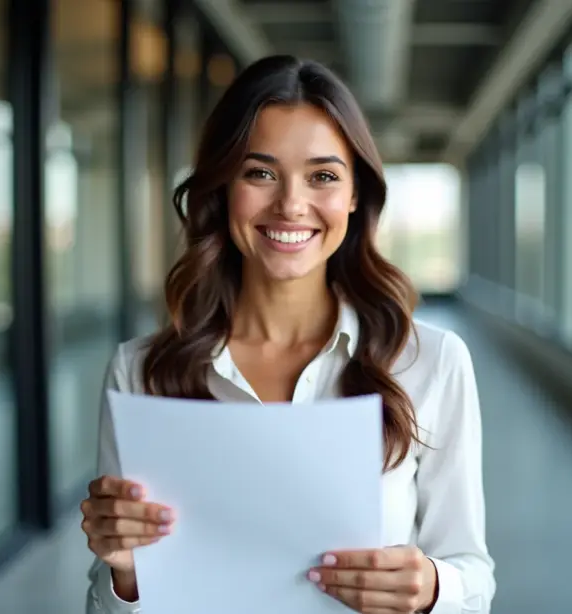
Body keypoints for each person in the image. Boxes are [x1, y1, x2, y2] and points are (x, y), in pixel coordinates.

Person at [80, 55, 495, 614]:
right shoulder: (140, 371)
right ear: (224, 186)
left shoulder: (432, 362)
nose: (291, 205)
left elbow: (473, 575)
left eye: (322, 175)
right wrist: (125, 573)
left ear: (354, 194)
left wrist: (433, 588)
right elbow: (111, 604)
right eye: (260, 173)